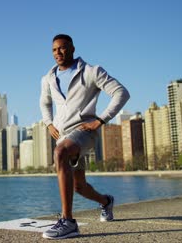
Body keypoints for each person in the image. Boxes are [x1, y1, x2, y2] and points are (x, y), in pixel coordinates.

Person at [40, 34, 130, 239]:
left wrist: (101, 120)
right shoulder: (48, 78)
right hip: (63, 135)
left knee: (60, 152)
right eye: (54, 49)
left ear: (72, 48)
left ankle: (68, 222)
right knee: (78, 186)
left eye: (62, 48)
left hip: (84, 132)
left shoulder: (91, 72)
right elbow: (44, 102)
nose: (58, 53)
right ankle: (106, 202)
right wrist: (48, 123)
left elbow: (121, 93)